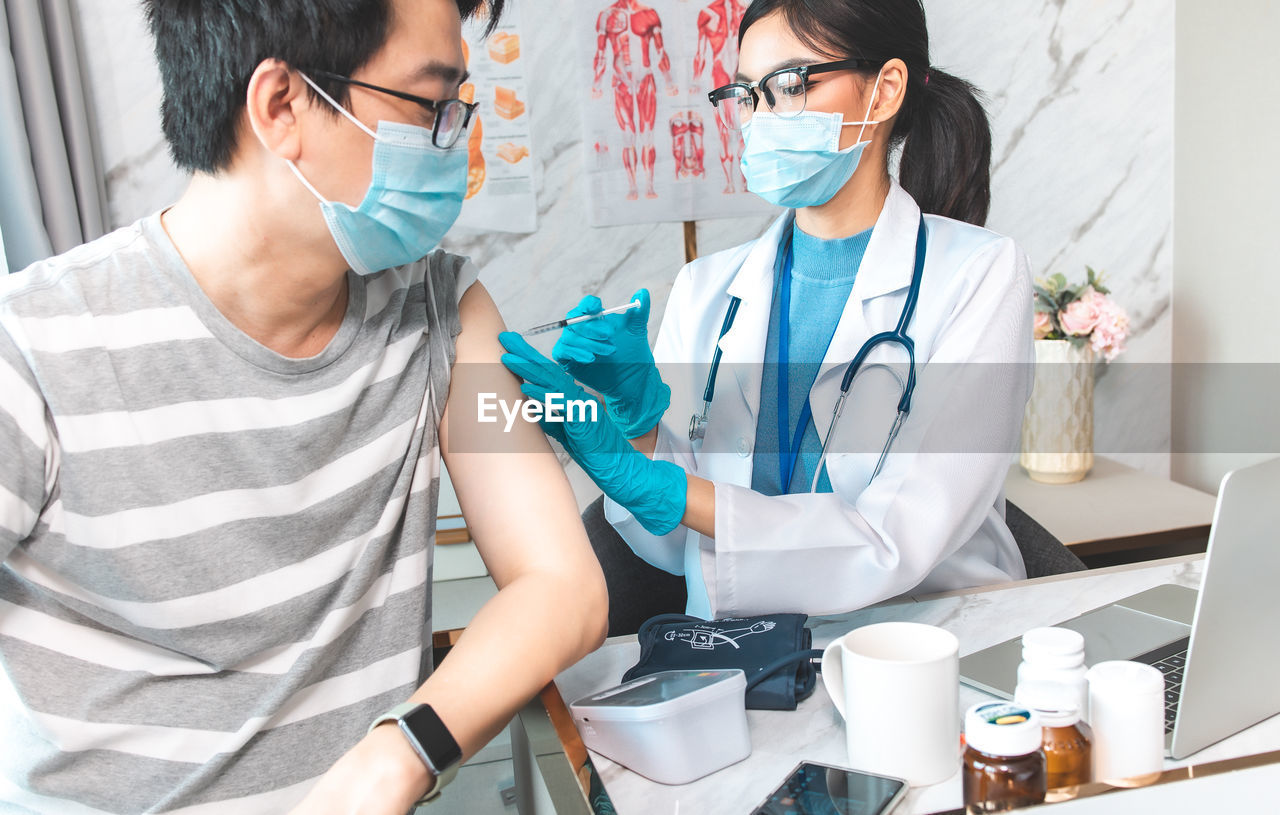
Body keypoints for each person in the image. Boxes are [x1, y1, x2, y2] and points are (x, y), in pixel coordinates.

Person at [0, 1, 608, 812]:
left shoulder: (445, 314)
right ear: (282, 105)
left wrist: (403, 750)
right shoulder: (34, 350)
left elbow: (562, 584)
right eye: (431, 106)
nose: (457, 143)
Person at [501, 0, 1033, 619]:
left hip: (931, 638)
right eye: (748, 95)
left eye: (787, 84)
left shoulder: (978, 273)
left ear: (885, 90)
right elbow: (678, 547)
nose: (760, 118)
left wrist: (667, 488)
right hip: (745, 647)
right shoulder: (707, 289)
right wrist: (641, 433)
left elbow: (901, 538)